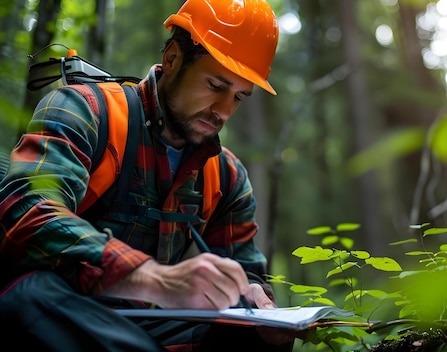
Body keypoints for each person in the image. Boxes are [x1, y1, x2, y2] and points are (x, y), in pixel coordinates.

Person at [0, 0, 294, 350]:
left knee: (254, 335)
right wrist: (152, 278)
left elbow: (245, 266)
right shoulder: (87, 111)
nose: (223, 111)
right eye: (216, 85)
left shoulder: (226, 175)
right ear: (172, 59)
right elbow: (29, 211)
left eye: (239, 97)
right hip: (59, 305)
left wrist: (255, 297)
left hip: (144, 323)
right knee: (32, 296)